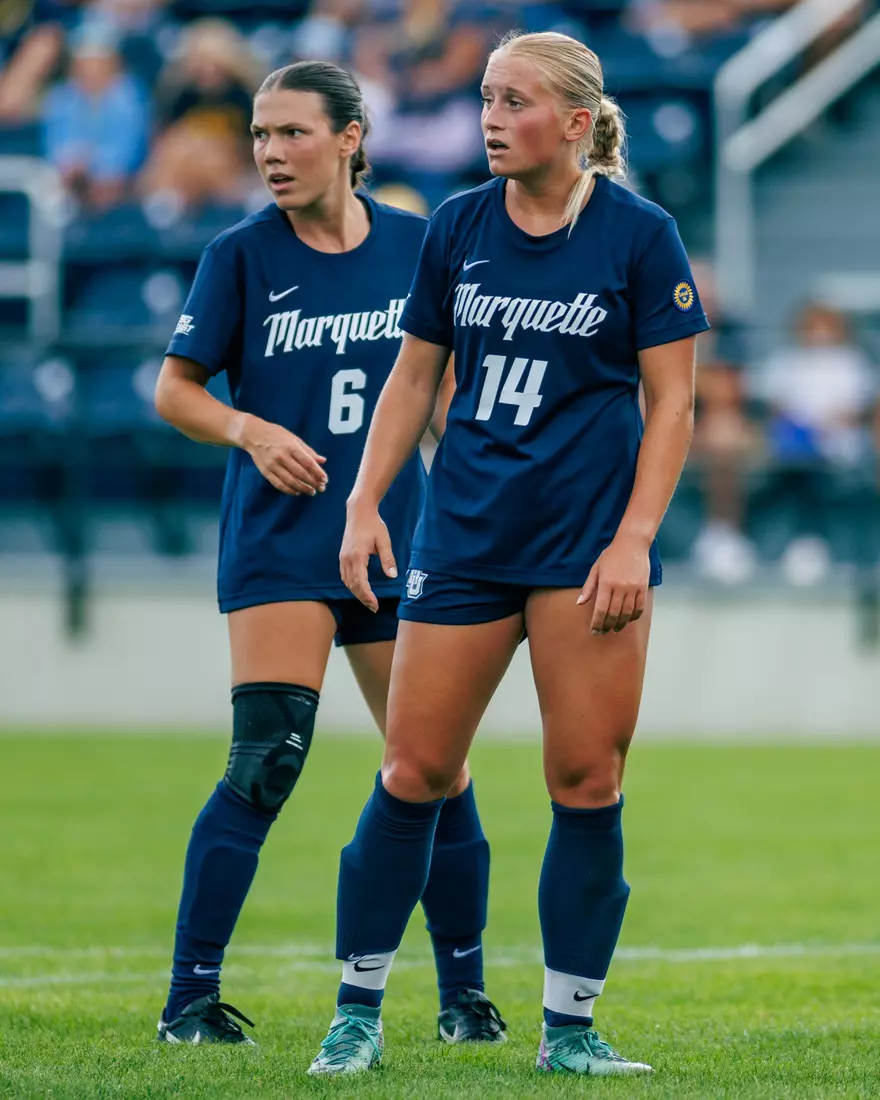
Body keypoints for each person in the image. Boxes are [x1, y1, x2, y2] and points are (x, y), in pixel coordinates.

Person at [309, 30, 709, 1077]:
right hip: (467, 537)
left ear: (576, 122)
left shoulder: (641, 234)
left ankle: (568, 1029)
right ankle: (355, 1013)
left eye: (514, 101)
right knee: (414, 771)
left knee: (586, 779)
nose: (490, 118)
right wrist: (363, 501)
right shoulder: (458, 225)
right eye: (486, 98)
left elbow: (673, 404)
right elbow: (412, 378)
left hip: (586, 549)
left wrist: (634, 539)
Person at [152, 60, 504, 1048]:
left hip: (399, 538)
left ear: (351, 138)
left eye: (292, 132)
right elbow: (175, 389)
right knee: (267, 759)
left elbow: (445, 397)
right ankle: (189, 1000)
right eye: (260, 135)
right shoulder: (239, 254)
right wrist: (248, 428)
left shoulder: (419, 245)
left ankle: (465, 997)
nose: (270, 152)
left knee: (435, 768)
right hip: (281, 538)